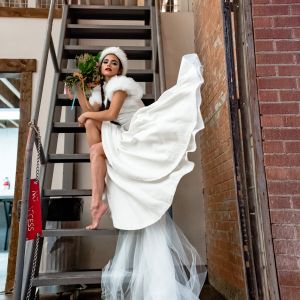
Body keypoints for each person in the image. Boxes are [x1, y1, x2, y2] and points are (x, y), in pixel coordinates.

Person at [68, 46, 207, 299]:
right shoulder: (101, 90)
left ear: (120, 68)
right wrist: (79, 92)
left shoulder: (121, 85)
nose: (109, 64)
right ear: (99, 68)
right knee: (91, 130)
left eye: (114, 62)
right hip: (119, 134)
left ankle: (97, 201)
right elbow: (91, 113)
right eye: (105, 62)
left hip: (137, 134)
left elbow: (109, 115)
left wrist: (87, 113)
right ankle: (100, 188)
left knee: (93, 133)